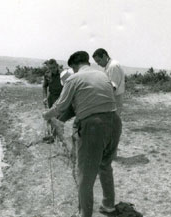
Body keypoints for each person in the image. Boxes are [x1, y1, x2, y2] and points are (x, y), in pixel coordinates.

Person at [43, 51, 122, 217]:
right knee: (105, 165)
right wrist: (63, 119)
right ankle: (108, 205)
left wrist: (46, 115)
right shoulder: (102, 75)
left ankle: (84, 214)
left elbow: (60, 107)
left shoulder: (74, 78)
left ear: (73, 66)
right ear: (87, 62)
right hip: (115, 122)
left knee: (85, 175)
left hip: (94, 127)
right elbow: (90, 100)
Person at [92, 48, 125, 115]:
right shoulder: (109, 66)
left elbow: (112, 87)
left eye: (99, 61)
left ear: (104, 56)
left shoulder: (113, 66)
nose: (98, 64)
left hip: (114, 101)